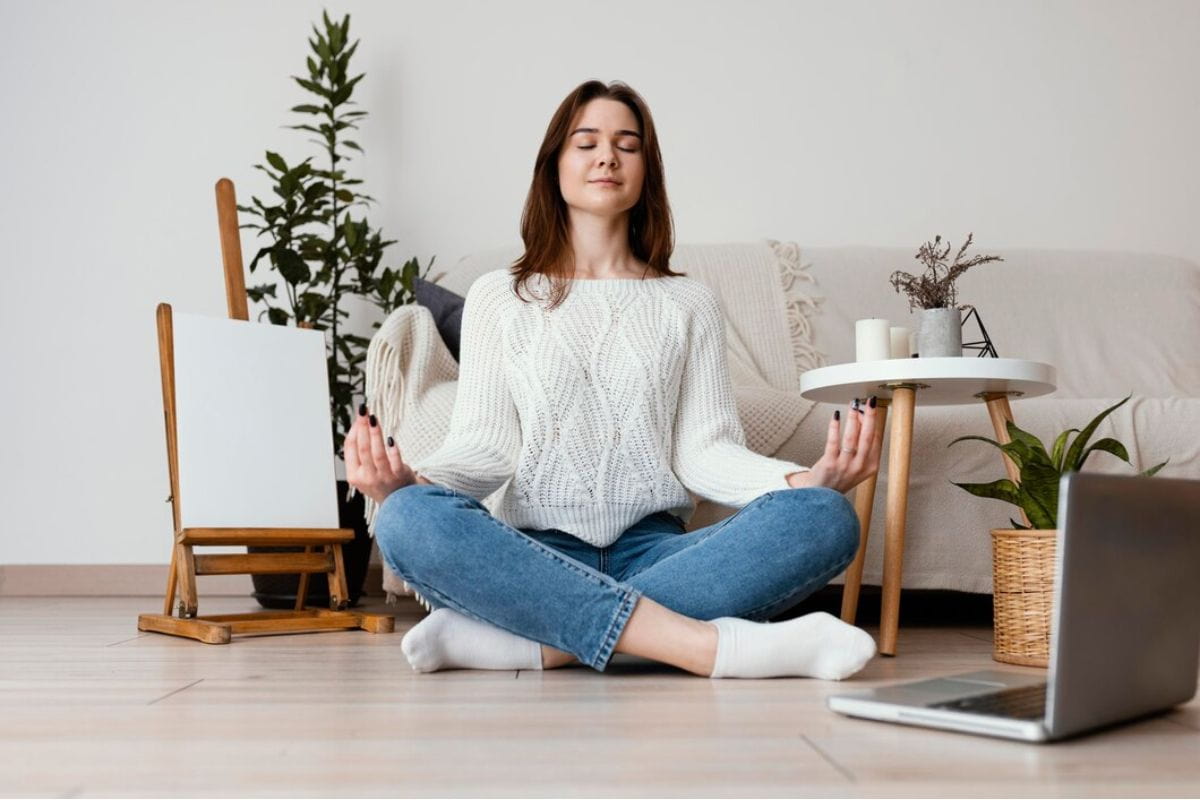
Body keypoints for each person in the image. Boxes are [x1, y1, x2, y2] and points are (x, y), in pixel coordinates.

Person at [344, 80, 883, 679]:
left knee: (824, 516)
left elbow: (704, 453)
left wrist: (801, 480)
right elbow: (487, 446)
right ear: (555, 166)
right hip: (531, 554)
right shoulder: (500, 298)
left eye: (627, 145)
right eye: (587, 143)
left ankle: (531, 643)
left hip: (659, 551)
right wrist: (415, 482)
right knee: (406, 519)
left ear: (646, 171)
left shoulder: (688, 302)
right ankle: (709, 648)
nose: (607, 156)